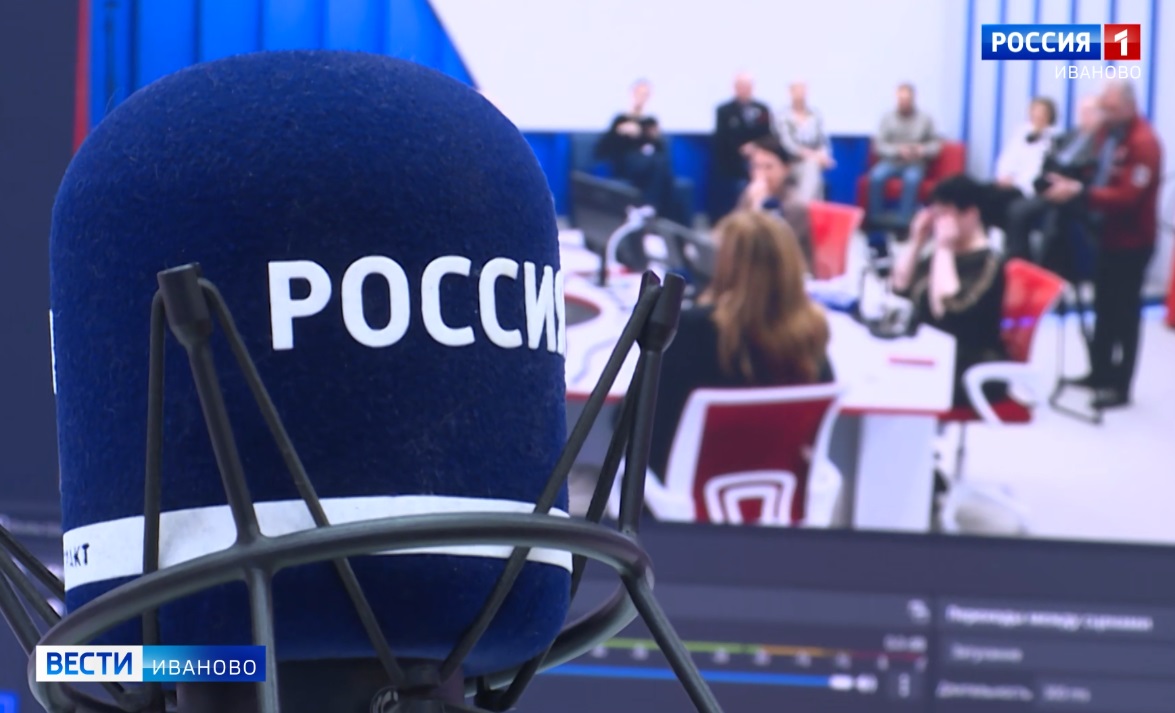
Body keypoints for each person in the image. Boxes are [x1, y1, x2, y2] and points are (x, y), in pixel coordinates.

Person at [649, 210, 834, 478]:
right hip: (777, 492)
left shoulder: (691, 329)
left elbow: (635, 424)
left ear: (724, 265)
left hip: (681, 492)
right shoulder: (810, 335)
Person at [1042, 80, 1163, 409]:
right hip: (1104, 236)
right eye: (1103, 107)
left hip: (1132, 240)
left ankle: (1121, 385)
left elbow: (1127, 197)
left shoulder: (1143, 142)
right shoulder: (1108, 133)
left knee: (1124, 313)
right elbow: (1084, 165)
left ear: (1128, 106)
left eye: (1111, 108)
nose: (1105, 114)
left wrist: (1080, 193)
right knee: (1104, 308)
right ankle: (1099, 371)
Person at [892, 175, 1008, 410]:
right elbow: (899, 288)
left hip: (966, 365)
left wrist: (943, 248)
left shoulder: (988, 263)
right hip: (930, 352)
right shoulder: (941, 254)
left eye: (944, 215)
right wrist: (916, 242)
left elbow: (947, 311)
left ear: (971, 214)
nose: (937, 223)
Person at [1003, 95, 1102, 267]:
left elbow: (1090, 171)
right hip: (1050, 187)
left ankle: (1045, 269)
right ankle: (1019, 263)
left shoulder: (1101, 142)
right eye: (1082, 112)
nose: (1085, 116)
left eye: (1089, 112)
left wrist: (1067, 182)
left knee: (1054, 220)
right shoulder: (1070, 136)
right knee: (1016, 209)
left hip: (1075, 196)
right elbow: (1051, 159)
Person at [594, 79, 688, 224]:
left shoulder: (650, 121)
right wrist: (620, 132)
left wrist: (649, 135)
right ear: (632, 94)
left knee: (660, 162)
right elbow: (604, 149)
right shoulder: (621, 119)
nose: (642, 98)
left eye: (645, 95)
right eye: (639, 93)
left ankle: (656, 212)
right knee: (658, 165)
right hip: (627, 164)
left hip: (650, 164)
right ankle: (654, 210)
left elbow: (660, 148)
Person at [868, 83, 941, 230]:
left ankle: (903, 224)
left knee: (911, 179)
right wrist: (898, 151)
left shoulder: (925, 119)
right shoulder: (887, 118)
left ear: (913, 99)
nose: (904, 103)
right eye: (901, 100)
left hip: (915, 162)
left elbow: (936, 145)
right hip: (891, 161)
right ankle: (875, 222)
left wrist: (922, 150)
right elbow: (879, 145)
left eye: (907, 100)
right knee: (876, 177)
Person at [737, 136, 814, 268]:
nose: (760, 175)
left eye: (768, 167)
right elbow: (733, 233)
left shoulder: (795, 205)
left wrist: (757, 207)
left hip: (784, 272)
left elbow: (767, 250)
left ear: (786, 168)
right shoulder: (750, 194)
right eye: (756, 167)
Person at [711, 72, 775, 219]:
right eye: (740, 86)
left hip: (758, 156)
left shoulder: (762, 109)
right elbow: (722, 137)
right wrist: (741, 149)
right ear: (734, 87)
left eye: (747, 86)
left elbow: (768, 135)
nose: (744, 89)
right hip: (732, 159)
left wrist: (755, 146)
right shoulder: (724, 110)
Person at [778, 81, 835, 202]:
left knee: (813, 167)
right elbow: (787, 144)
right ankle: (805, 206)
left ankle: (810, 207)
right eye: (798, 90)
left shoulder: (815, 114)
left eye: (803, 90)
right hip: (791, 163)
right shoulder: (783, 115)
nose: (801, 94)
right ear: (790, 93)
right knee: (812, 166)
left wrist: (824, 155)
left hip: (814, 160)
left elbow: (823, 140)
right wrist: (812, 155)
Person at [994, 97, 1059, 198]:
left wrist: (1015, 182)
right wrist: (1004, 175)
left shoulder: (1054, 138)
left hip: (1027, 190)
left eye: (1042, 113)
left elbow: (1038, 170)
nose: (1037, 115)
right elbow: (1007, 158)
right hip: (1007, 183)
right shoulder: (1021, 132)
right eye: (1034, 111)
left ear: (1050, 116)